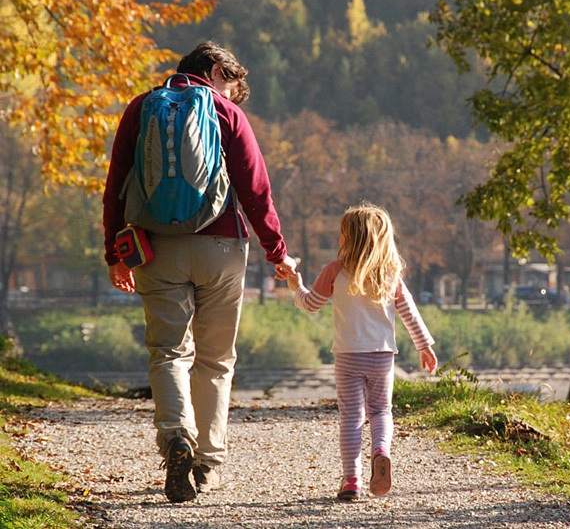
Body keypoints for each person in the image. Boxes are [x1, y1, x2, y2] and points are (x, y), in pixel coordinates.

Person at [102, 41, 296, 503]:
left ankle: (176, 439)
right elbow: (255, 188)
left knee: (168, 351)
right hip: (221, 245)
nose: (232, 93)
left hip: (156, 247)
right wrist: (278, 251)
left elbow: (115, 185)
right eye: (230, 83)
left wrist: (114, 252)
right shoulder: (226, 114)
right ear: (213, 70)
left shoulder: (141, 107)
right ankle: (206, 460)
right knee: (215, 357)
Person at [286, 202, 437, 500]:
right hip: (382, 356)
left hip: (347, 357)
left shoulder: (334, 270)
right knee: (381, 411)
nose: (339, 239)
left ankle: (351, 480)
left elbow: (310, 305)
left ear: (350, 239)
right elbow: (409, 313)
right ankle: (381, 450)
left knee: (351, 418)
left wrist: (296, 285)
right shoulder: (390, 274)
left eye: (342, 234)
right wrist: (424, 346)